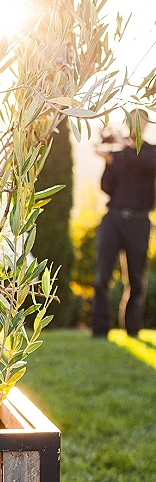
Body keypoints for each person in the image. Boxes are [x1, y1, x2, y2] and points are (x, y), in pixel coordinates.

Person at [92, 113, 156, 337]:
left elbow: (149, 162)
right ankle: (100, 332)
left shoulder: (150, 151)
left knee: (136, 280)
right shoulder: (118, 154)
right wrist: (109, 163)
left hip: (139, 221)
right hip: (113, 219)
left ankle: (132, 330)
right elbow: (106, 187)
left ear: (146, 124)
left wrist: (122, 146)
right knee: (102, 277)